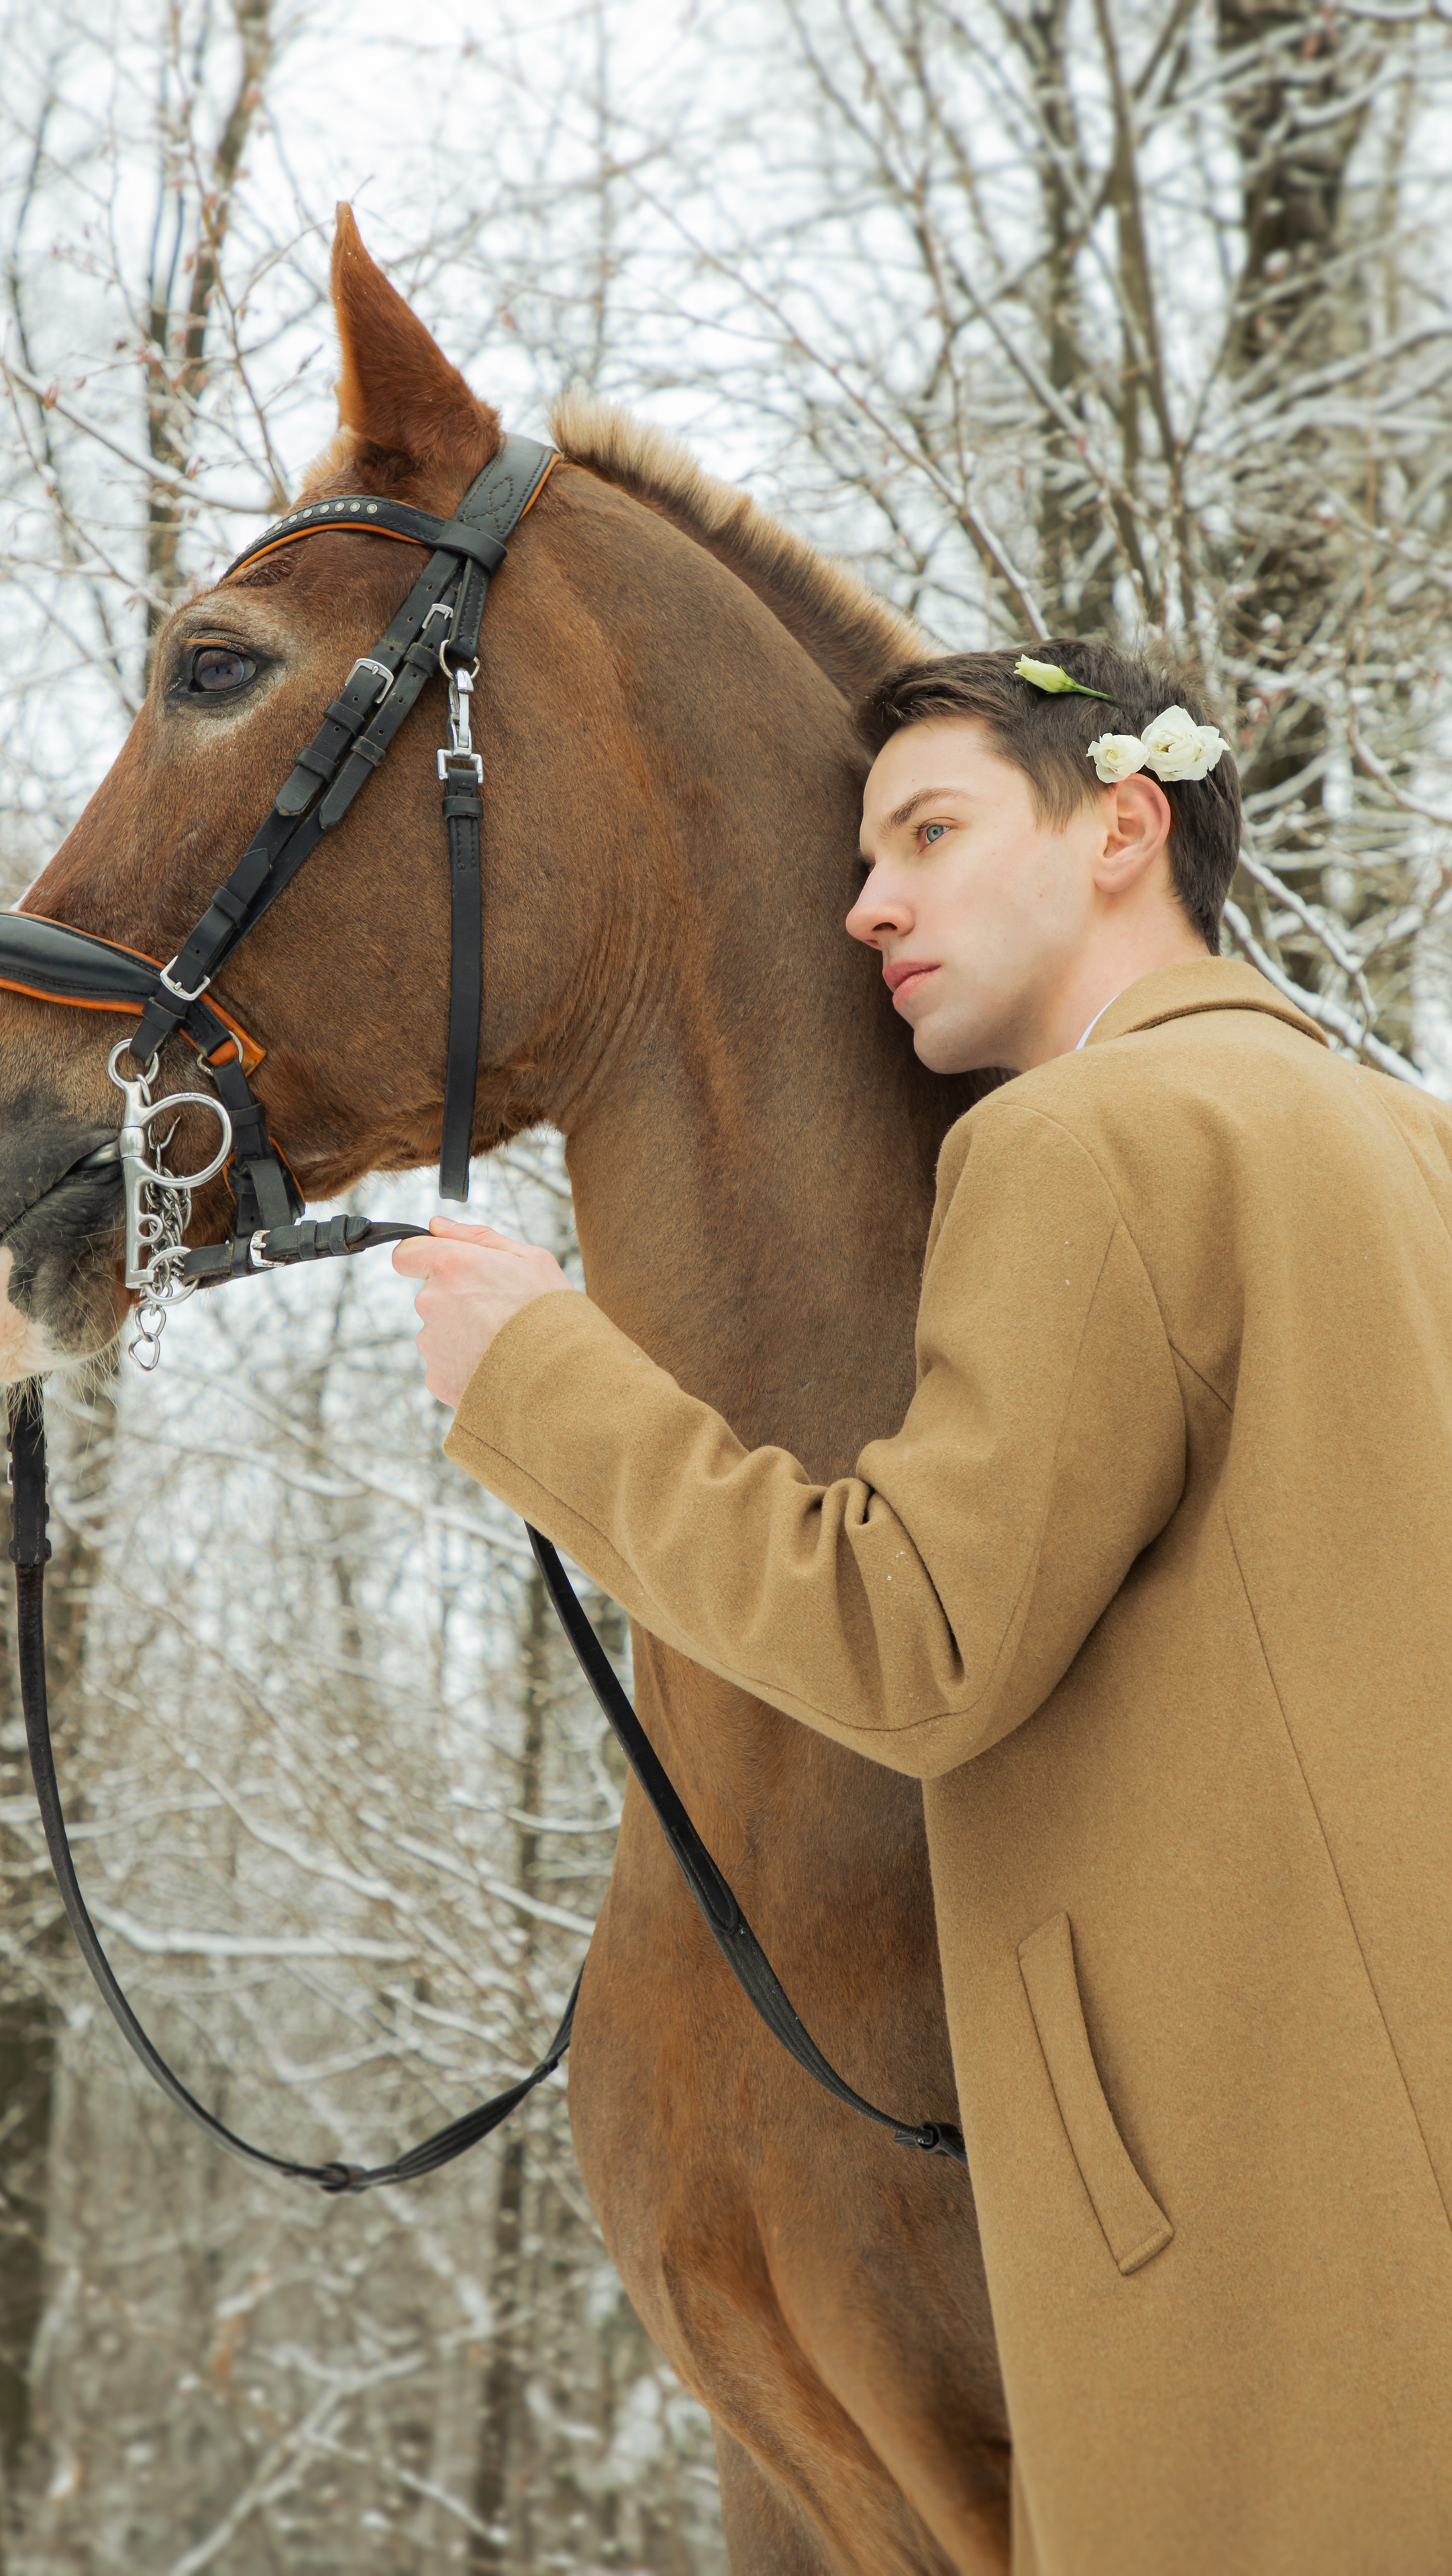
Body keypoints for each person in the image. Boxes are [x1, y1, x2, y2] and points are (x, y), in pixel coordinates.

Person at [392, 641, 1452, 2575]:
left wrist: (535, 1370)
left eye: (931, 834)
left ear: (1124, 826)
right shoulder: (1412, 1145)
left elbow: (915, 1641)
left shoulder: (1078, 1140)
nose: (867, 901)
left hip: (1239, 2254)